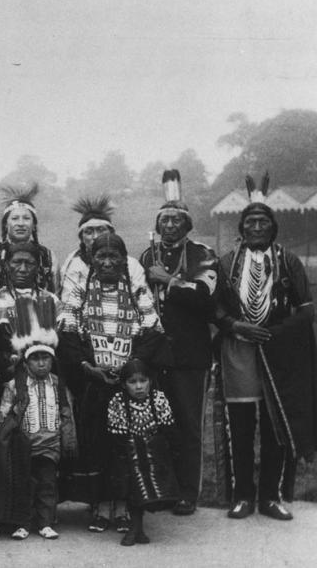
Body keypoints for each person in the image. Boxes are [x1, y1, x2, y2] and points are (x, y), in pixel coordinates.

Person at [212, 175, 316, 522]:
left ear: (274, 226)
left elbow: (306, 310)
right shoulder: (225, 263)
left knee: (275, 427)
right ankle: (242, 495)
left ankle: (270, 496)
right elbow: (214, 308)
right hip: (238, 352)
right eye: (250, 222)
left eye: (263, 221)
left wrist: (274, 333)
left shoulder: (288, 263)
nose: (256, 226)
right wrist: (235, 325)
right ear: (241, 227)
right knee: (241, 426)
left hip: (279, 353)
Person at [58, 233, 168, 534]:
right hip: (93, 382)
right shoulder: (80, 288)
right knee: (97, 444)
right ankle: (100, 506)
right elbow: (67, 336)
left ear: (124, 260)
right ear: (91, 259)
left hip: (127, 384)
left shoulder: (135, 288)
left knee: (127, 446)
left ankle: (124, 506)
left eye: (114, 257)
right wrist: (89, 368)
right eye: (101, 256)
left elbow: (153, 331)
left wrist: (131, 369)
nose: (107, 262)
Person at [138, 170, 218, 515]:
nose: (169, 225)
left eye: (176, 219)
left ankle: (189, 492)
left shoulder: (203, 253)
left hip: (190, 355)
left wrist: (169, 281)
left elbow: (206, 295)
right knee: (156, 422)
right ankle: (163, 489)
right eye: (164, 220)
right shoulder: (145, 256)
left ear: (187, 224)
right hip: (156, 356)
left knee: (187, 424)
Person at [0, 308, 76, 541]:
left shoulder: (58, 384)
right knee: (24, 485)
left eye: (45, 358)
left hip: (50, 445)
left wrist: (66, 438)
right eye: (35, 359)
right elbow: (2, 414)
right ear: (26, 361)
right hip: (23, 444)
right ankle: (23, 523)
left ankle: (46, 522)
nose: (41, 364)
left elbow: (66, 413)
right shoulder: (14, 386)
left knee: (47, 485)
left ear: (52, 360)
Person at [107, 358, 178, 547]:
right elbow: (117, 436)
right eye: (132, 382)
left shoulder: (158, 398)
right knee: (133, 479)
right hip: (128, 453)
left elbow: (168, 428)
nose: (139, 387)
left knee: (148, 471)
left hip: (154, 452)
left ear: (150, 381)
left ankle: (137, 528)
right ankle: (136, 528)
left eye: (143, 381)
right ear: (124, 384)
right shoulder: (118, 401)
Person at [0, 241, 58, 376]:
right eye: (16, 262)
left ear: (38, 267)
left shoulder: (51, 301)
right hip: (4, 376)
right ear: (7, 265)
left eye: (29, 263)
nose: (23, 269)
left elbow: (59, 348)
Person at [58, 195, 148, 310]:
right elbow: (68, 304)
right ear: (81, 238)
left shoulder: (132, 264)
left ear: (112, 233)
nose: (95, 237)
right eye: (89, 232)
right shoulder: (73, 265)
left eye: (101, 230)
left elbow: (143, 301)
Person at [0, 183, 56, 298]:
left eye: (26, 218)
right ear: (5, 224)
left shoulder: (47, 256)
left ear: (34, 225)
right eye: (15, 218)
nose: (21, 223)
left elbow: (55, 295)